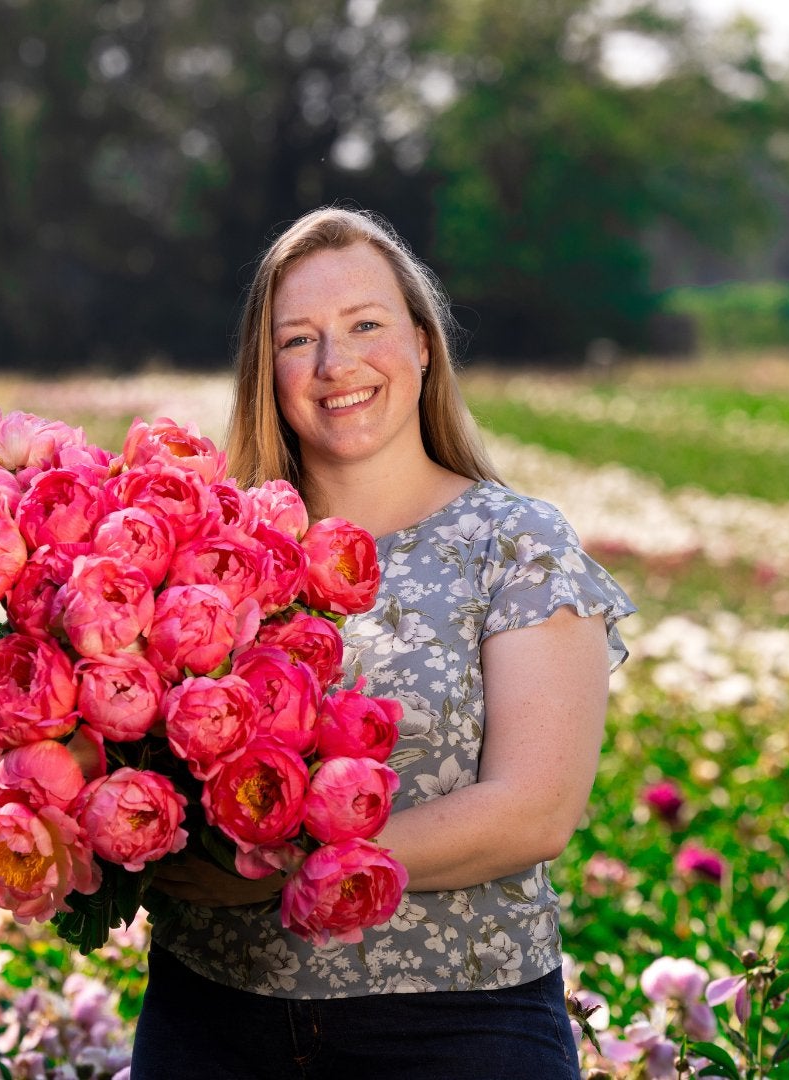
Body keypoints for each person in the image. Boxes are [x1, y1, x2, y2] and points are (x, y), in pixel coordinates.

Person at [134, 207, 636, 1078]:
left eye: (366, 325)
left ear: (423, 344)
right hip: (213, 1021)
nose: (337, 366)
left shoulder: (513, 543)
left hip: (456, 1032)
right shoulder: (211, 552)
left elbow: (535, 810)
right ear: (268, 371)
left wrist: (286, 865)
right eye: (299, 340)